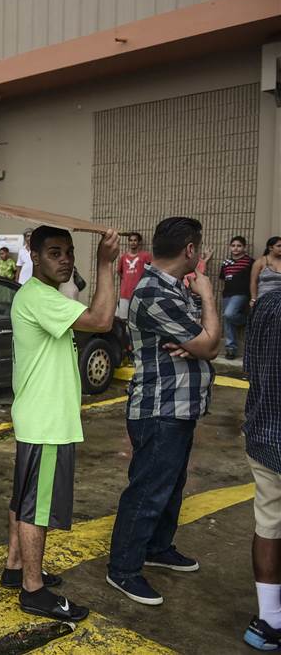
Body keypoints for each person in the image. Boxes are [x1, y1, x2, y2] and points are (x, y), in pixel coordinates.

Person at [2, 225, 120, 621]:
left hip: (38, 416)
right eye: (55, 252)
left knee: (25, 500)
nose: (65, 259)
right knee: (38, 508)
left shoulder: (43, 296)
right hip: (47, 422)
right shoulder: (39, 297)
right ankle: (33, 591)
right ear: (34, 256)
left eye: (69, 252)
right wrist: (106, 263)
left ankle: (15, 568)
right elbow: (102, 319)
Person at [107, 217, 220, 606]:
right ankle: (122, 568)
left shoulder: (174, 288)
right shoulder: (156, 292)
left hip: (181, 406)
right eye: (199, 247)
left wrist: (196, 339)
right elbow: (210, 344)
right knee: (148, 490)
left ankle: (157, 547)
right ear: (190, 250)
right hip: (159, 408)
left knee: (171, 486)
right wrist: (207, 296)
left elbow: (203, 340)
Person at [241, 290, 281, 651]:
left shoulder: (268, 303)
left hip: (265, 432)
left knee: (268, 523)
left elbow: (249, 367)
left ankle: (269, 620)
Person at [219, 235, 255, 359]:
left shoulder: (250, 262)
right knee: (227, 320)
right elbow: (224, 279)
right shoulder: (226, 262)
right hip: (227, 294)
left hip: (242, 294)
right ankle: (231, 349)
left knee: (229, 315)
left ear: (244, 247)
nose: (236, 248)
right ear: (230, 247)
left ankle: (245, 320)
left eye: (239, 246)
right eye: (233, 245)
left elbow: (254, 280)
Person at [116, 233, 152, 319]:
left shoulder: (146, 256)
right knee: (123, 318)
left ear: (139, 242)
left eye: (135, 240)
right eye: (131, 240)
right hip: (125, 293)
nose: (133, 242)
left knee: (139, 318)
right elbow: (119, 272)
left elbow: (152, 270)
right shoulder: (123, 257)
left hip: (139, 292)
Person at [251, 236, 281, 307]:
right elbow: (253, 282)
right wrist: (253, 299)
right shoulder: (260, 261)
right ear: (270, 248)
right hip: (264, 298)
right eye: (279, 246)